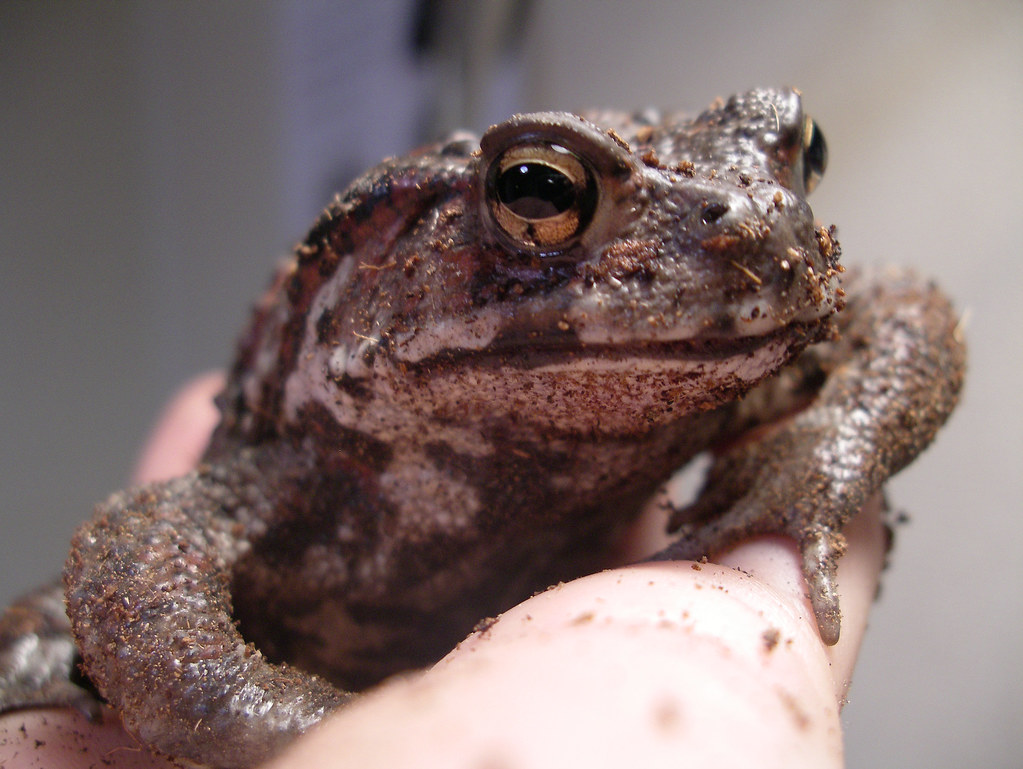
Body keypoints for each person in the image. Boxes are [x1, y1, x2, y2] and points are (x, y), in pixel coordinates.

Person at [0, 374, 886, 768]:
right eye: (543, 196)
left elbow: (895, 311)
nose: (750, 215)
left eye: (795, 162)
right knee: (33, 658)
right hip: (281, 641)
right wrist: (279, 723)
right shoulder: (338, 433)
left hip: (524, 617)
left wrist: (825, 460)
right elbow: (135, 545)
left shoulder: (711, 340)